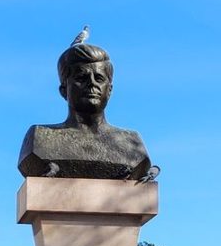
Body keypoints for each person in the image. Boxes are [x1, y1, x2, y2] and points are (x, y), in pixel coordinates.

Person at [18, 39, 155, 180]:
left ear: (110, 90)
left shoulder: (132, 144)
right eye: (81, 78)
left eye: (99, 78)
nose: (92, 84)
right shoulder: (39, 139)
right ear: (64, 90)